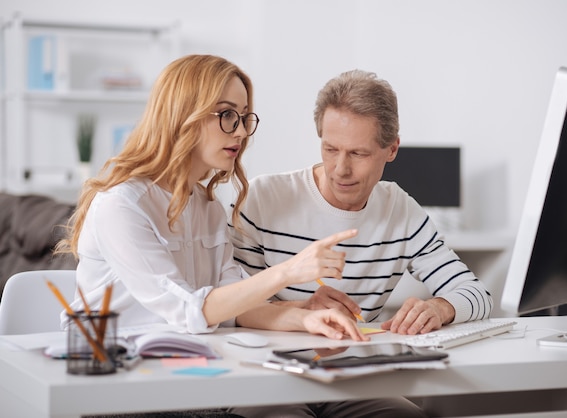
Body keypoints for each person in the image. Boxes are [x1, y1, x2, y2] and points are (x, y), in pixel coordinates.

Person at [227, 69, 494, 418]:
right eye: (330, 148)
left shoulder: (400, 210)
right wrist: (302, 311)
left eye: (359, 153)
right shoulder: (261, 198)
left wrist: (439, 308)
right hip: (267, 376)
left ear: (392, 149)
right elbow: (229, 307)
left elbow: (477, 295)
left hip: (352, 382)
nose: (341, 169)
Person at [54, 54, 368, 345]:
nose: (242, 132)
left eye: (244, 117)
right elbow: (188, 309)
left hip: (183, 369)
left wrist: (306, 316)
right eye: (228, 114)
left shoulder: (207, 206)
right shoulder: (122, 205)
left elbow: (233, 307)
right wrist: (287, 272)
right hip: (111, 374)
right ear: (183, 115)